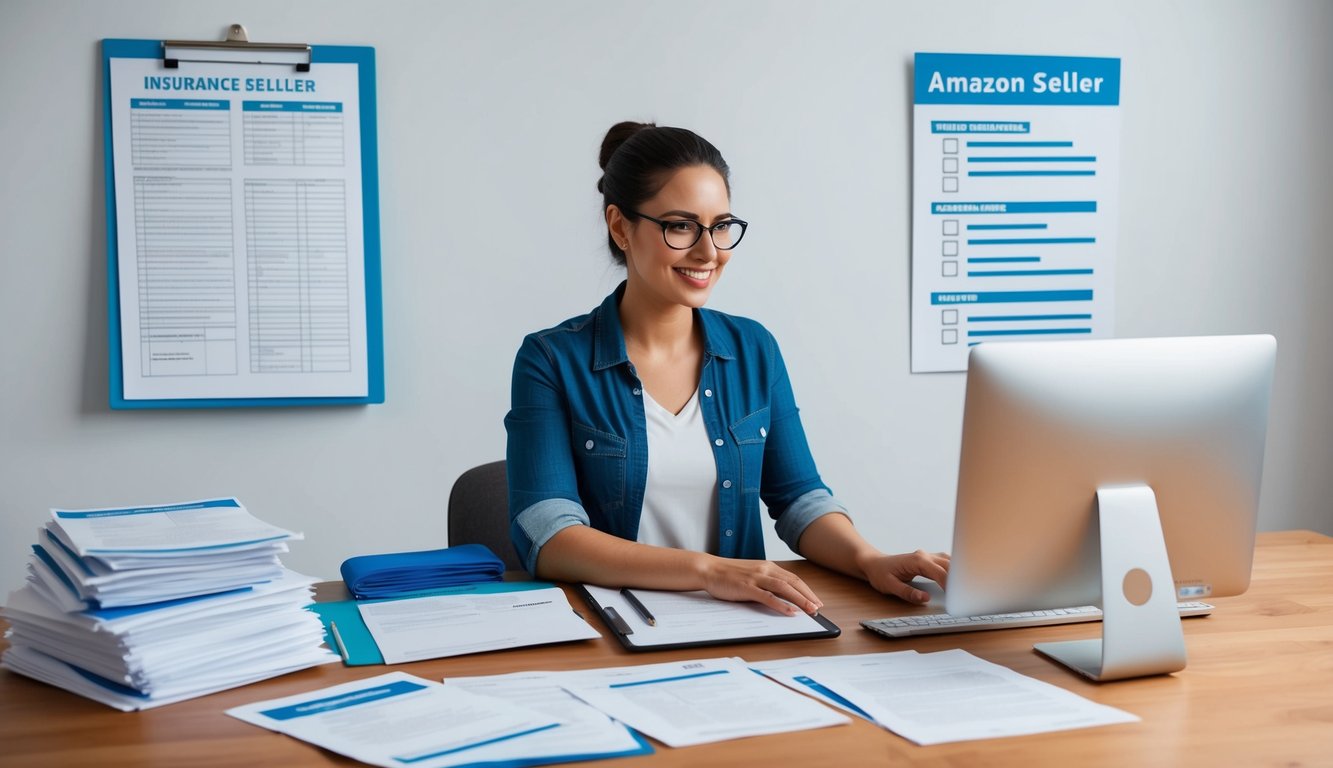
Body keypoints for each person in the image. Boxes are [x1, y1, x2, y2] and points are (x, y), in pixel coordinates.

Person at [504, 121, 948, 615]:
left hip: (745, 624)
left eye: (720, 226)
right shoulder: (551, 360)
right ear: (619, 226)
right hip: (620, 629)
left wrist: (869, 559)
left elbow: (800, 498)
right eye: (680, 226)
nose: (709, 251)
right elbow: (549, 535)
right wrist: (711, 571)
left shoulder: (753, 348)